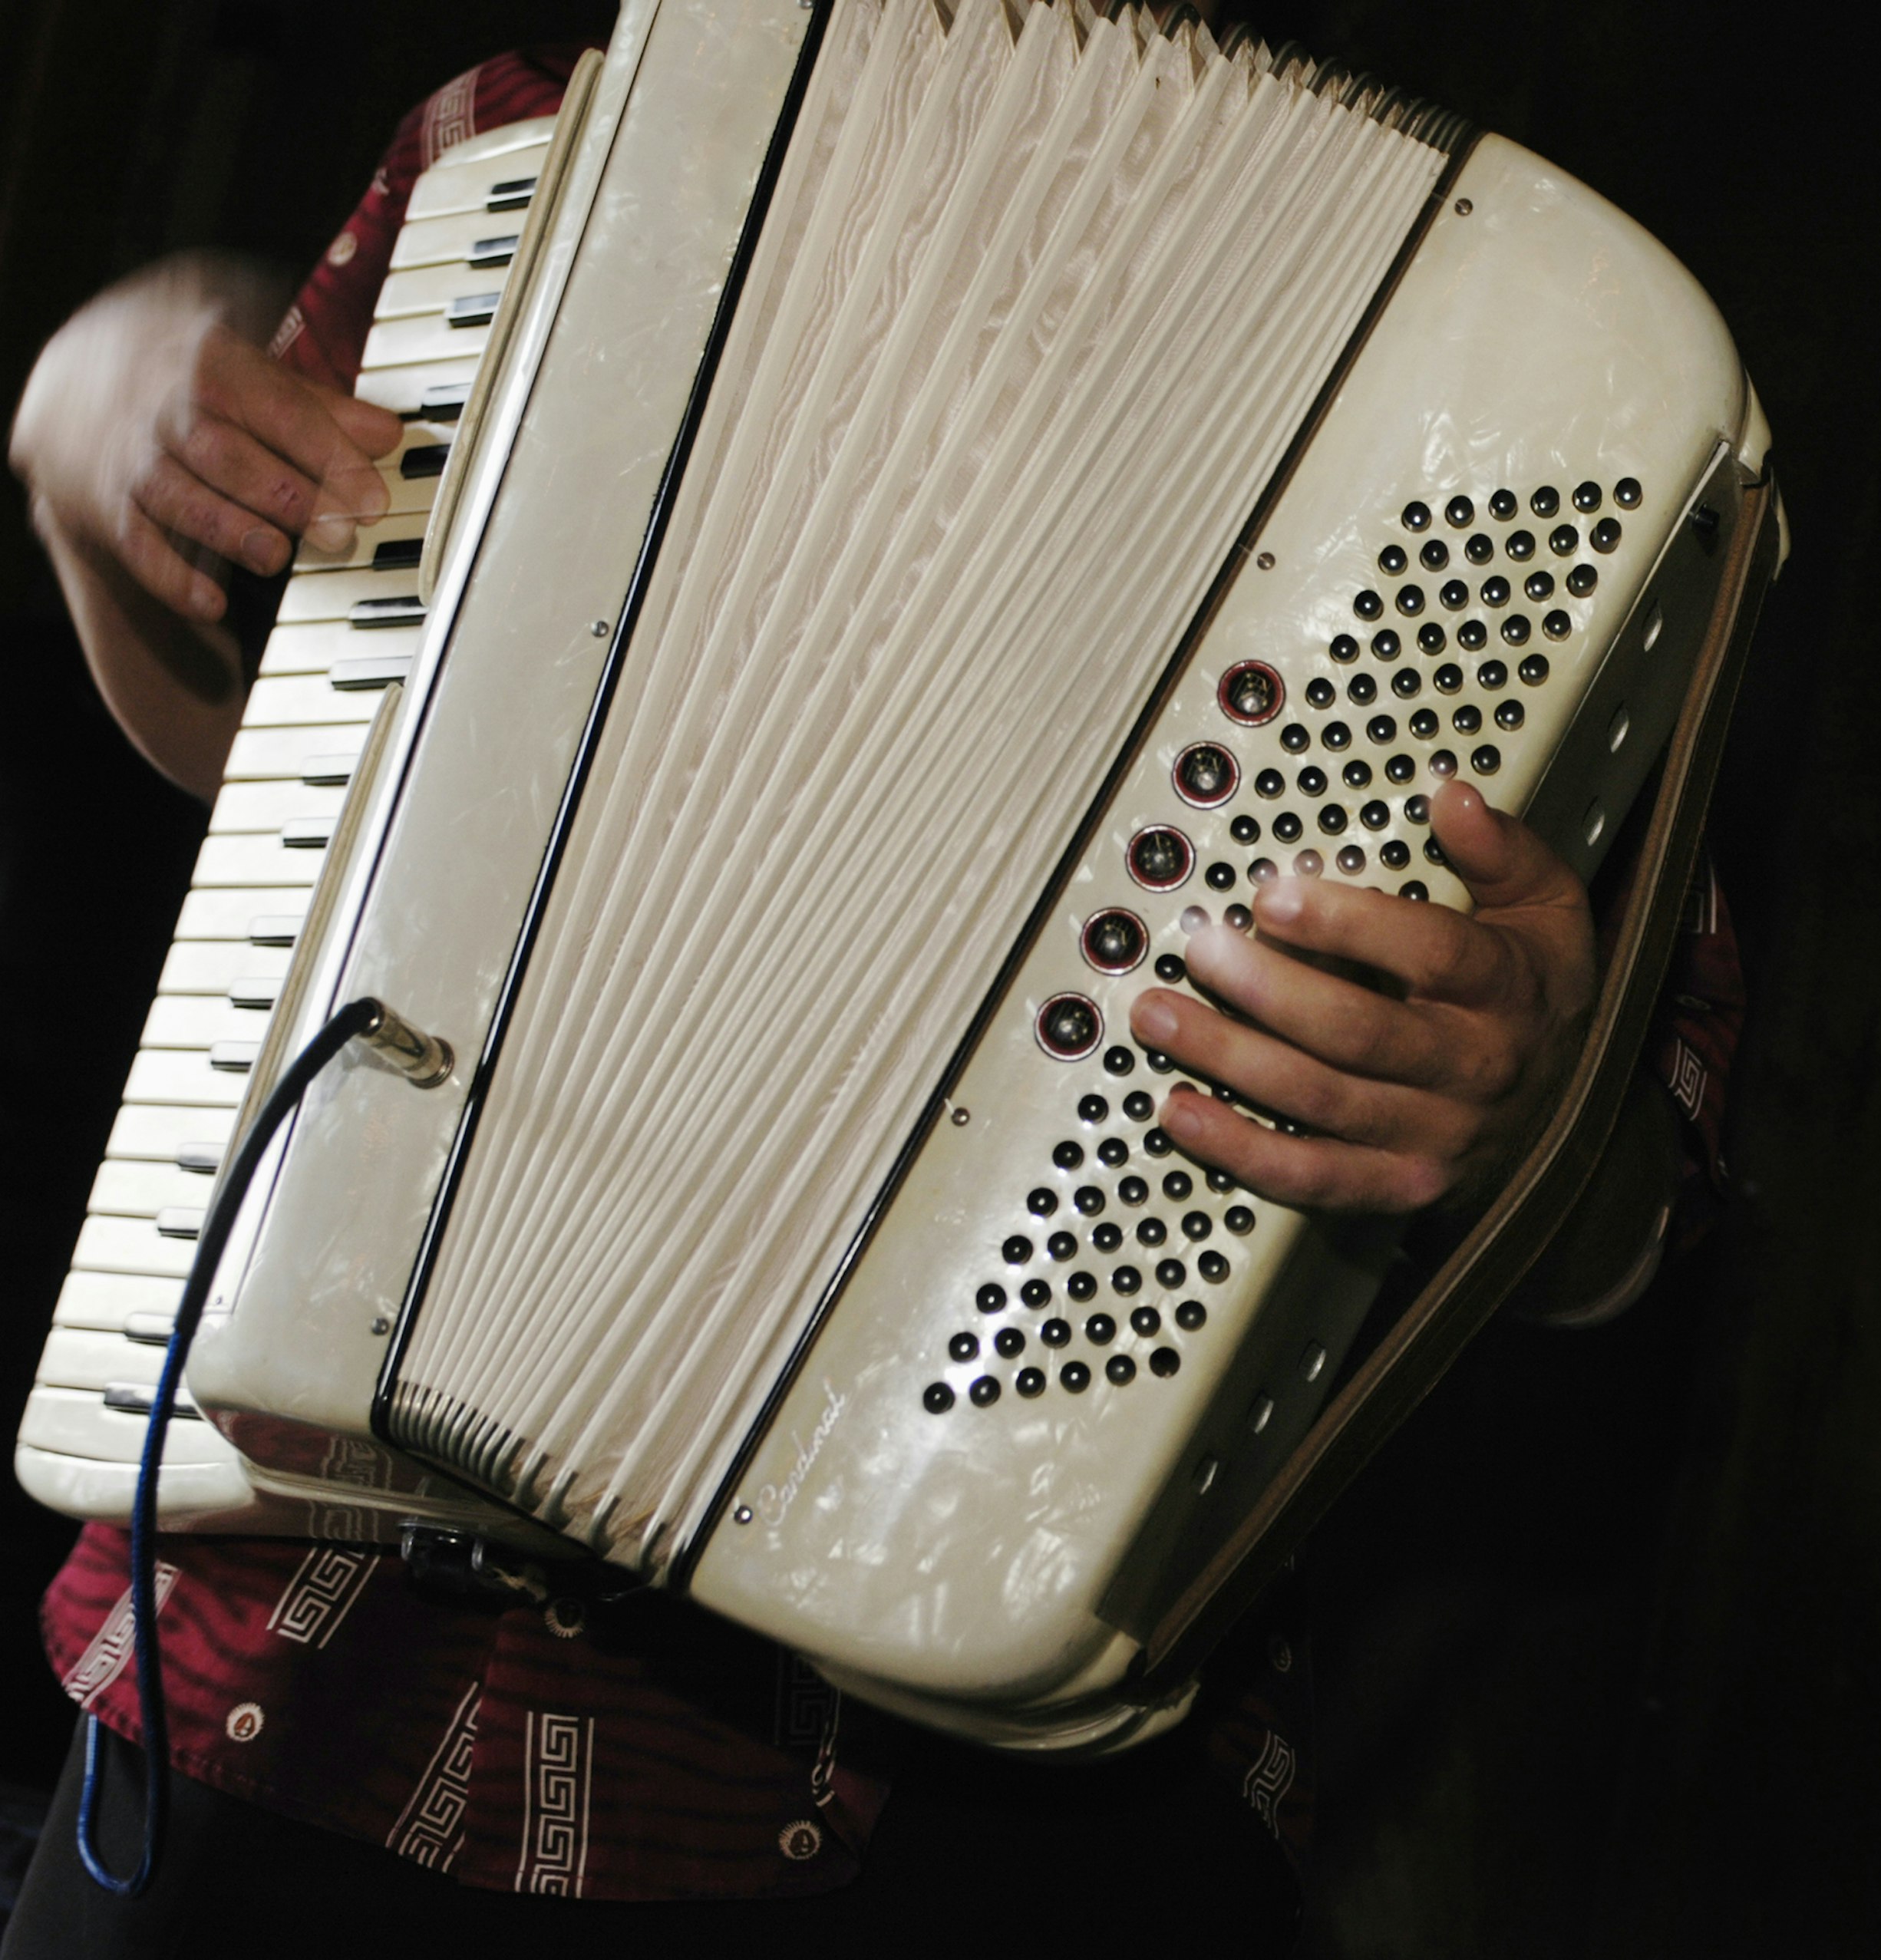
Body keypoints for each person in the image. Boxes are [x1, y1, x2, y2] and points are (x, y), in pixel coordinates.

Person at [2, 31, 1744, 1958]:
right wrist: (101, 440)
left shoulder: (1538, 369)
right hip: (291, 1678)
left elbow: (1626, 1221)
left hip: (973, 1810)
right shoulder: (535, 142)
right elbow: (291, 754)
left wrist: (1536, 1122)